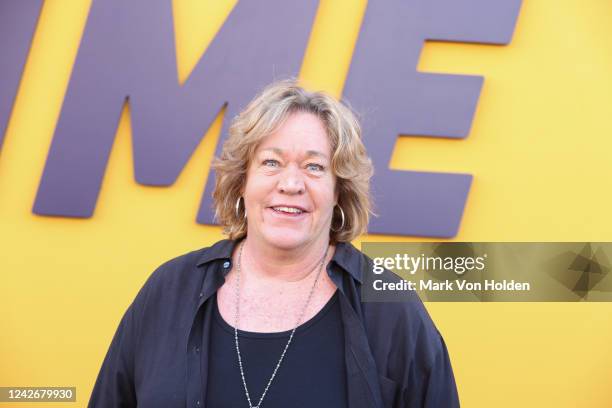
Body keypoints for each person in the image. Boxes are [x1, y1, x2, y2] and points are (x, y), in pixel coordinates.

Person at [88, 79, 460, 408]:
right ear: (242, 182)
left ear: (338, 191)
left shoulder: (390, 309)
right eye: (271, 163)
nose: (291, 184)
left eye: (315, 167)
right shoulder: (168, 291)